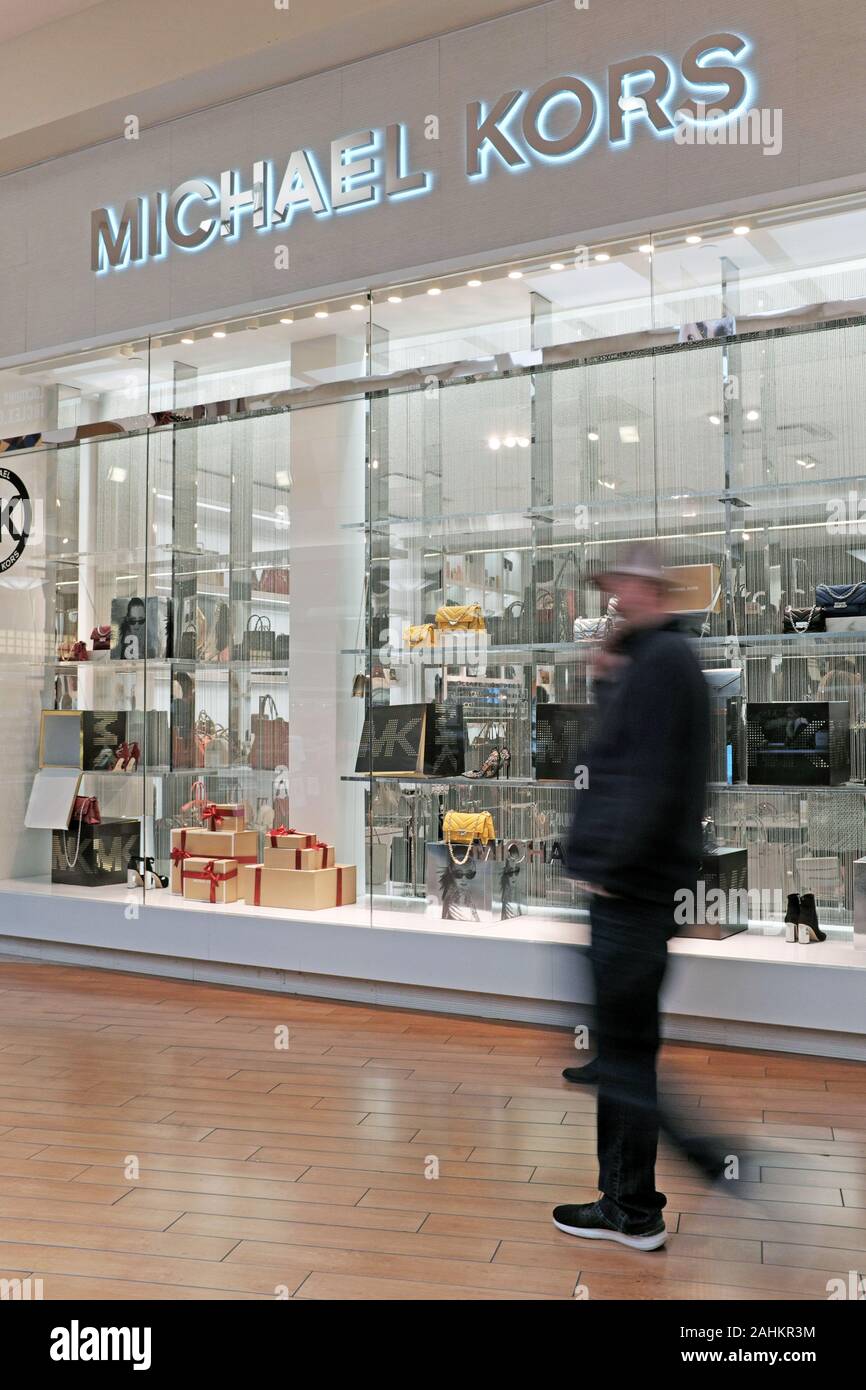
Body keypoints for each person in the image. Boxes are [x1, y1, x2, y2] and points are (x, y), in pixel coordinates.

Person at [553, 542, 726, 1251]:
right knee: (623, 1051)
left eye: (617, 586)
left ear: (645, 586)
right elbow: (625, 760)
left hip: (630, 890)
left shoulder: (660, 666)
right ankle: (632, 1201)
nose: (611, 600)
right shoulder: (657, 659)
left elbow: (644, 782)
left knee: (623, 1058)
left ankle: (651, 1198)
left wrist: (605, 868)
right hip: (639, 888)